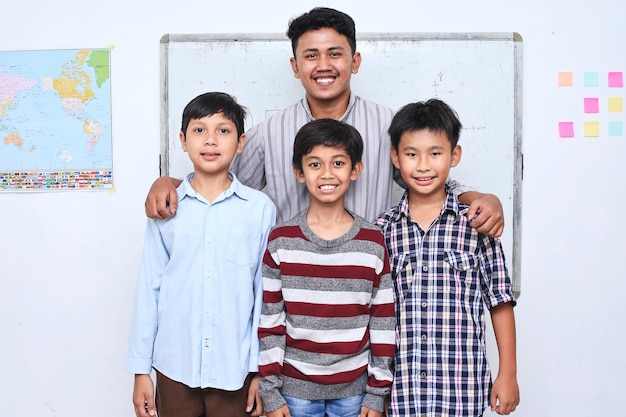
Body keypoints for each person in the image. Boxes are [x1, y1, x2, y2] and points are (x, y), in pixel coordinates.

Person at [144, 7, 505, 239]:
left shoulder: (386, 124)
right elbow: (220, 184)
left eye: (335, 54)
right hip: (294, 282)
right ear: (295, 66)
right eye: (311, 55)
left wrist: (481, 198)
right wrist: (169, 182)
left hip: (370, 278)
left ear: (355, 60)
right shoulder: (271, 132)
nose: (323, 65)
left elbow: (428, 178)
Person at [126, 92, 276, 417]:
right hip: (174, 364)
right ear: (182, 140)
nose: (210, 141)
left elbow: (264, 295)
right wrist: (141, 371)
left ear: (240, 142)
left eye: (223, 131)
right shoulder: (167, 208)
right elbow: (149, 288)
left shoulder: (259, 210)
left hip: (235, 367)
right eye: (199, 130)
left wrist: (259, 371)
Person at [375, 99, 519, 417]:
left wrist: (508, 374)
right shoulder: (381, 231)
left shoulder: (477, 226)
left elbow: (500, 302)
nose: (423, 165)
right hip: (401, 391)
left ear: (455, 155)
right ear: (395, 157)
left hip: (462, 389)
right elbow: (375, 318)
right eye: (411, 154)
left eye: (435, 153)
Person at [257, 119, 395, 417]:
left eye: (338, 163)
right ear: (299, 172)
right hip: (294, 392)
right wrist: (270, 391)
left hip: (355, 395)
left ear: (355, 170)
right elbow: (271, 322)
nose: (327, 173)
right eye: (315, 164)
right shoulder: (281, 241)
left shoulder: (372, 242)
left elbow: (382, 322)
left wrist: (376, 392)